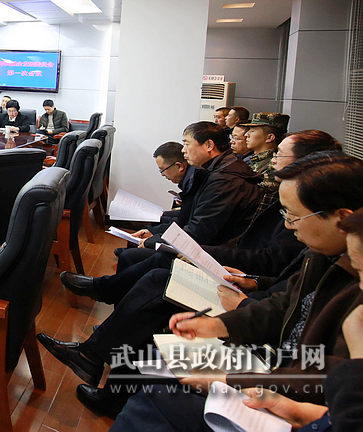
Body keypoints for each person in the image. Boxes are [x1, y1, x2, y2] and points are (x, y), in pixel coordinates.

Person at [44, 132, 339, 416]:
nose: (272, 158)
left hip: (258, 318)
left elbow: (276, 271)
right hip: (249, 285)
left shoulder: (238, 183)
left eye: (280, 154)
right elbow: (284, 281)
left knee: (159, 285)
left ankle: (99, 357)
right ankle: (100, 360)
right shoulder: (304, 223)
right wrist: (253, 282)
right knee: (157, 281)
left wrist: (244, 294)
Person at [105, 153, 363, 432]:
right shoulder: (324, 254)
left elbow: (330, 378)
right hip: (275, 367)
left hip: (288, 387)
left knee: (155, 399)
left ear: (341, 218)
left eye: (294, 216)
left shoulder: (353, 279)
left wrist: (232, 379)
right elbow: (285, 304)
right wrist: (218, 325)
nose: (288, 225)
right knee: (155, 360)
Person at [131, 121, 263, 247]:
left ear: (209, 146)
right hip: (211, 245)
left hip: (217, 250)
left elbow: (200, 231)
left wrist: (154, 241)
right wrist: (155, 235)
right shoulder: (218, 169)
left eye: (187, 144)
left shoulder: (225, 180)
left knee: (132, 256)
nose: (183, 150)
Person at [241, 112, 289, 191]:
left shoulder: (273, 166)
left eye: (252, 131)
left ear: (269, 137)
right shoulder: (255, 159)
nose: (246, 134)